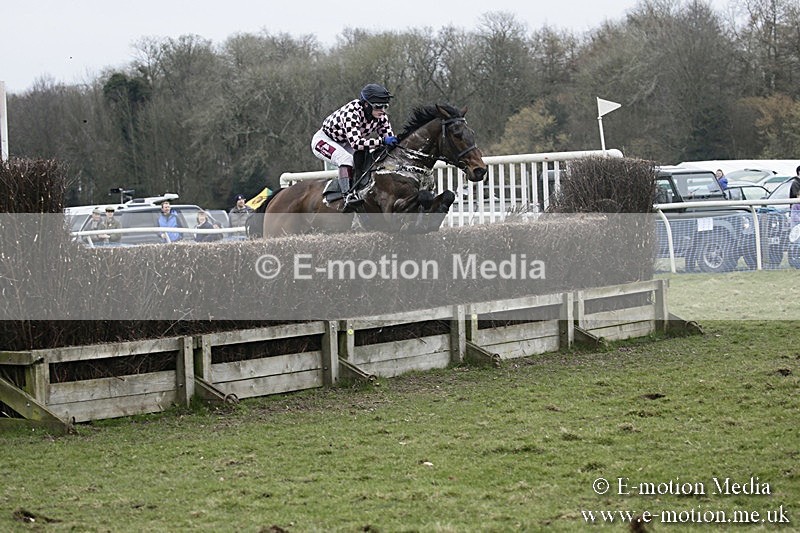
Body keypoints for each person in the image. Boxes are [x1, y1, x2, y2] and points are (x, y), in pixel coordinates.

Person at [310, 83, 398, 212]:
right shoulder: (352, 112)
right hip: (324, 140)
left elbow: (389, 141)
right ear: (366, 105)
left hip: (346, 141)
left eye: (385, 106)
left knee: (370, 157)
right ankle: (348, 197)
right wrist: (382, 141)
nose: (383, 110)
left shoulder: (381, 117)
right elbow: (357, 143)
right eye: (378, 106)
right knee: (346, 159)